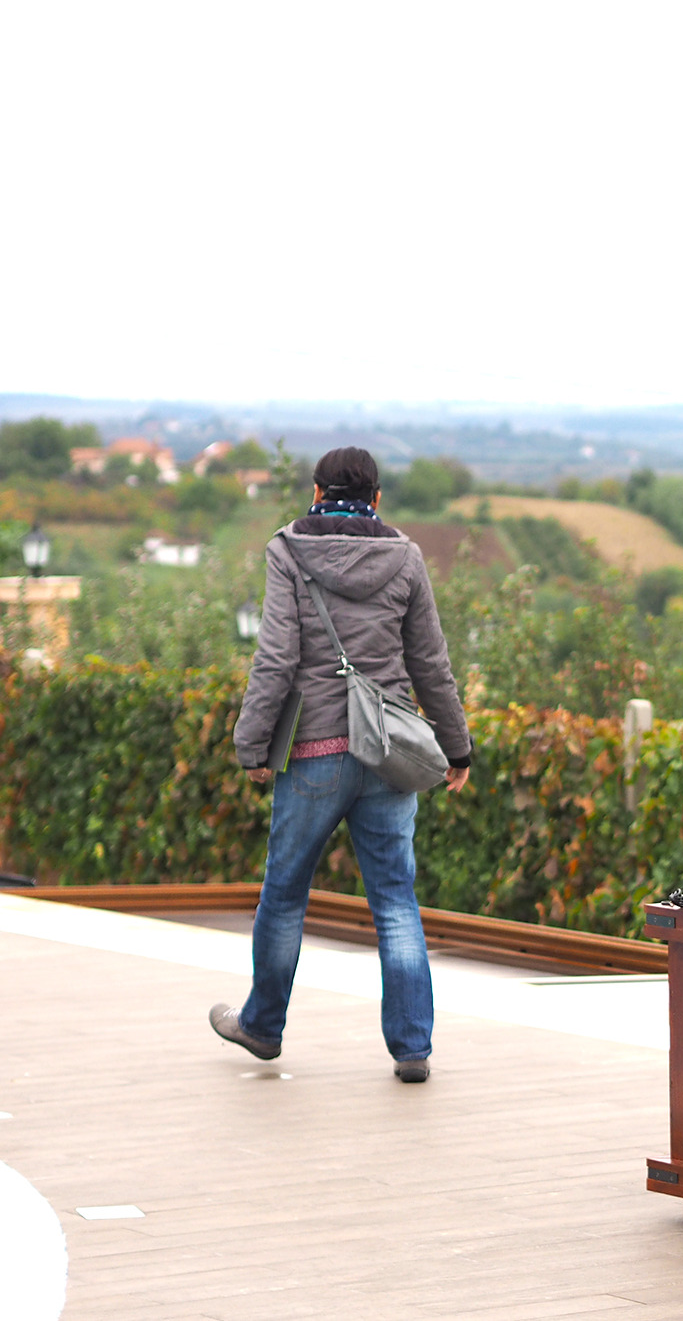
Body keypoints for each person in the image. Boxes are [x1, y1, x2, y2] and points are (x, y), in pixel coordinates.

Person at [211, 447, 472, 1082]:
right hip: (387, 755)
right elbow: (430, 663)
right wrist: (457, 748)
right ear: (377, 498)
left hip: (314, 754)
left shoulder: (289, 550)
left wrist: (253, 748)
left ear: (319, 491)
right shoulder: (405, 556)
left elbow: (275, 659)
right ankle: (412, 1048)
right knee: (395, 900)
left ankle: (263, 1026)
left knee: (284, 894)